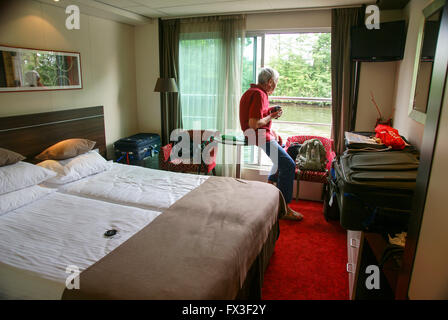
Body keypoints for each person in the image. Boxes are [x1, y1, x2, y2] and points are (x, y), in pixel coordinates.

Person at [239, 67, 303, 220]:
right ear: (269, 82)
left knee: (280, 159)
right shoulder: (260, 95)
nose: (276, 85)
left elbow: (257, 114)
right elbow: (254, 123)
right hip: (258, 136)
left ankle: (268, 190)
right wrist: (272, 116)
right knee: (288, 164)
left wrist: (270, 111)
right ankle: (283, 208)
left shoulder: (252, 92)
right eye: (275, 82)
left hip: (258, 135)